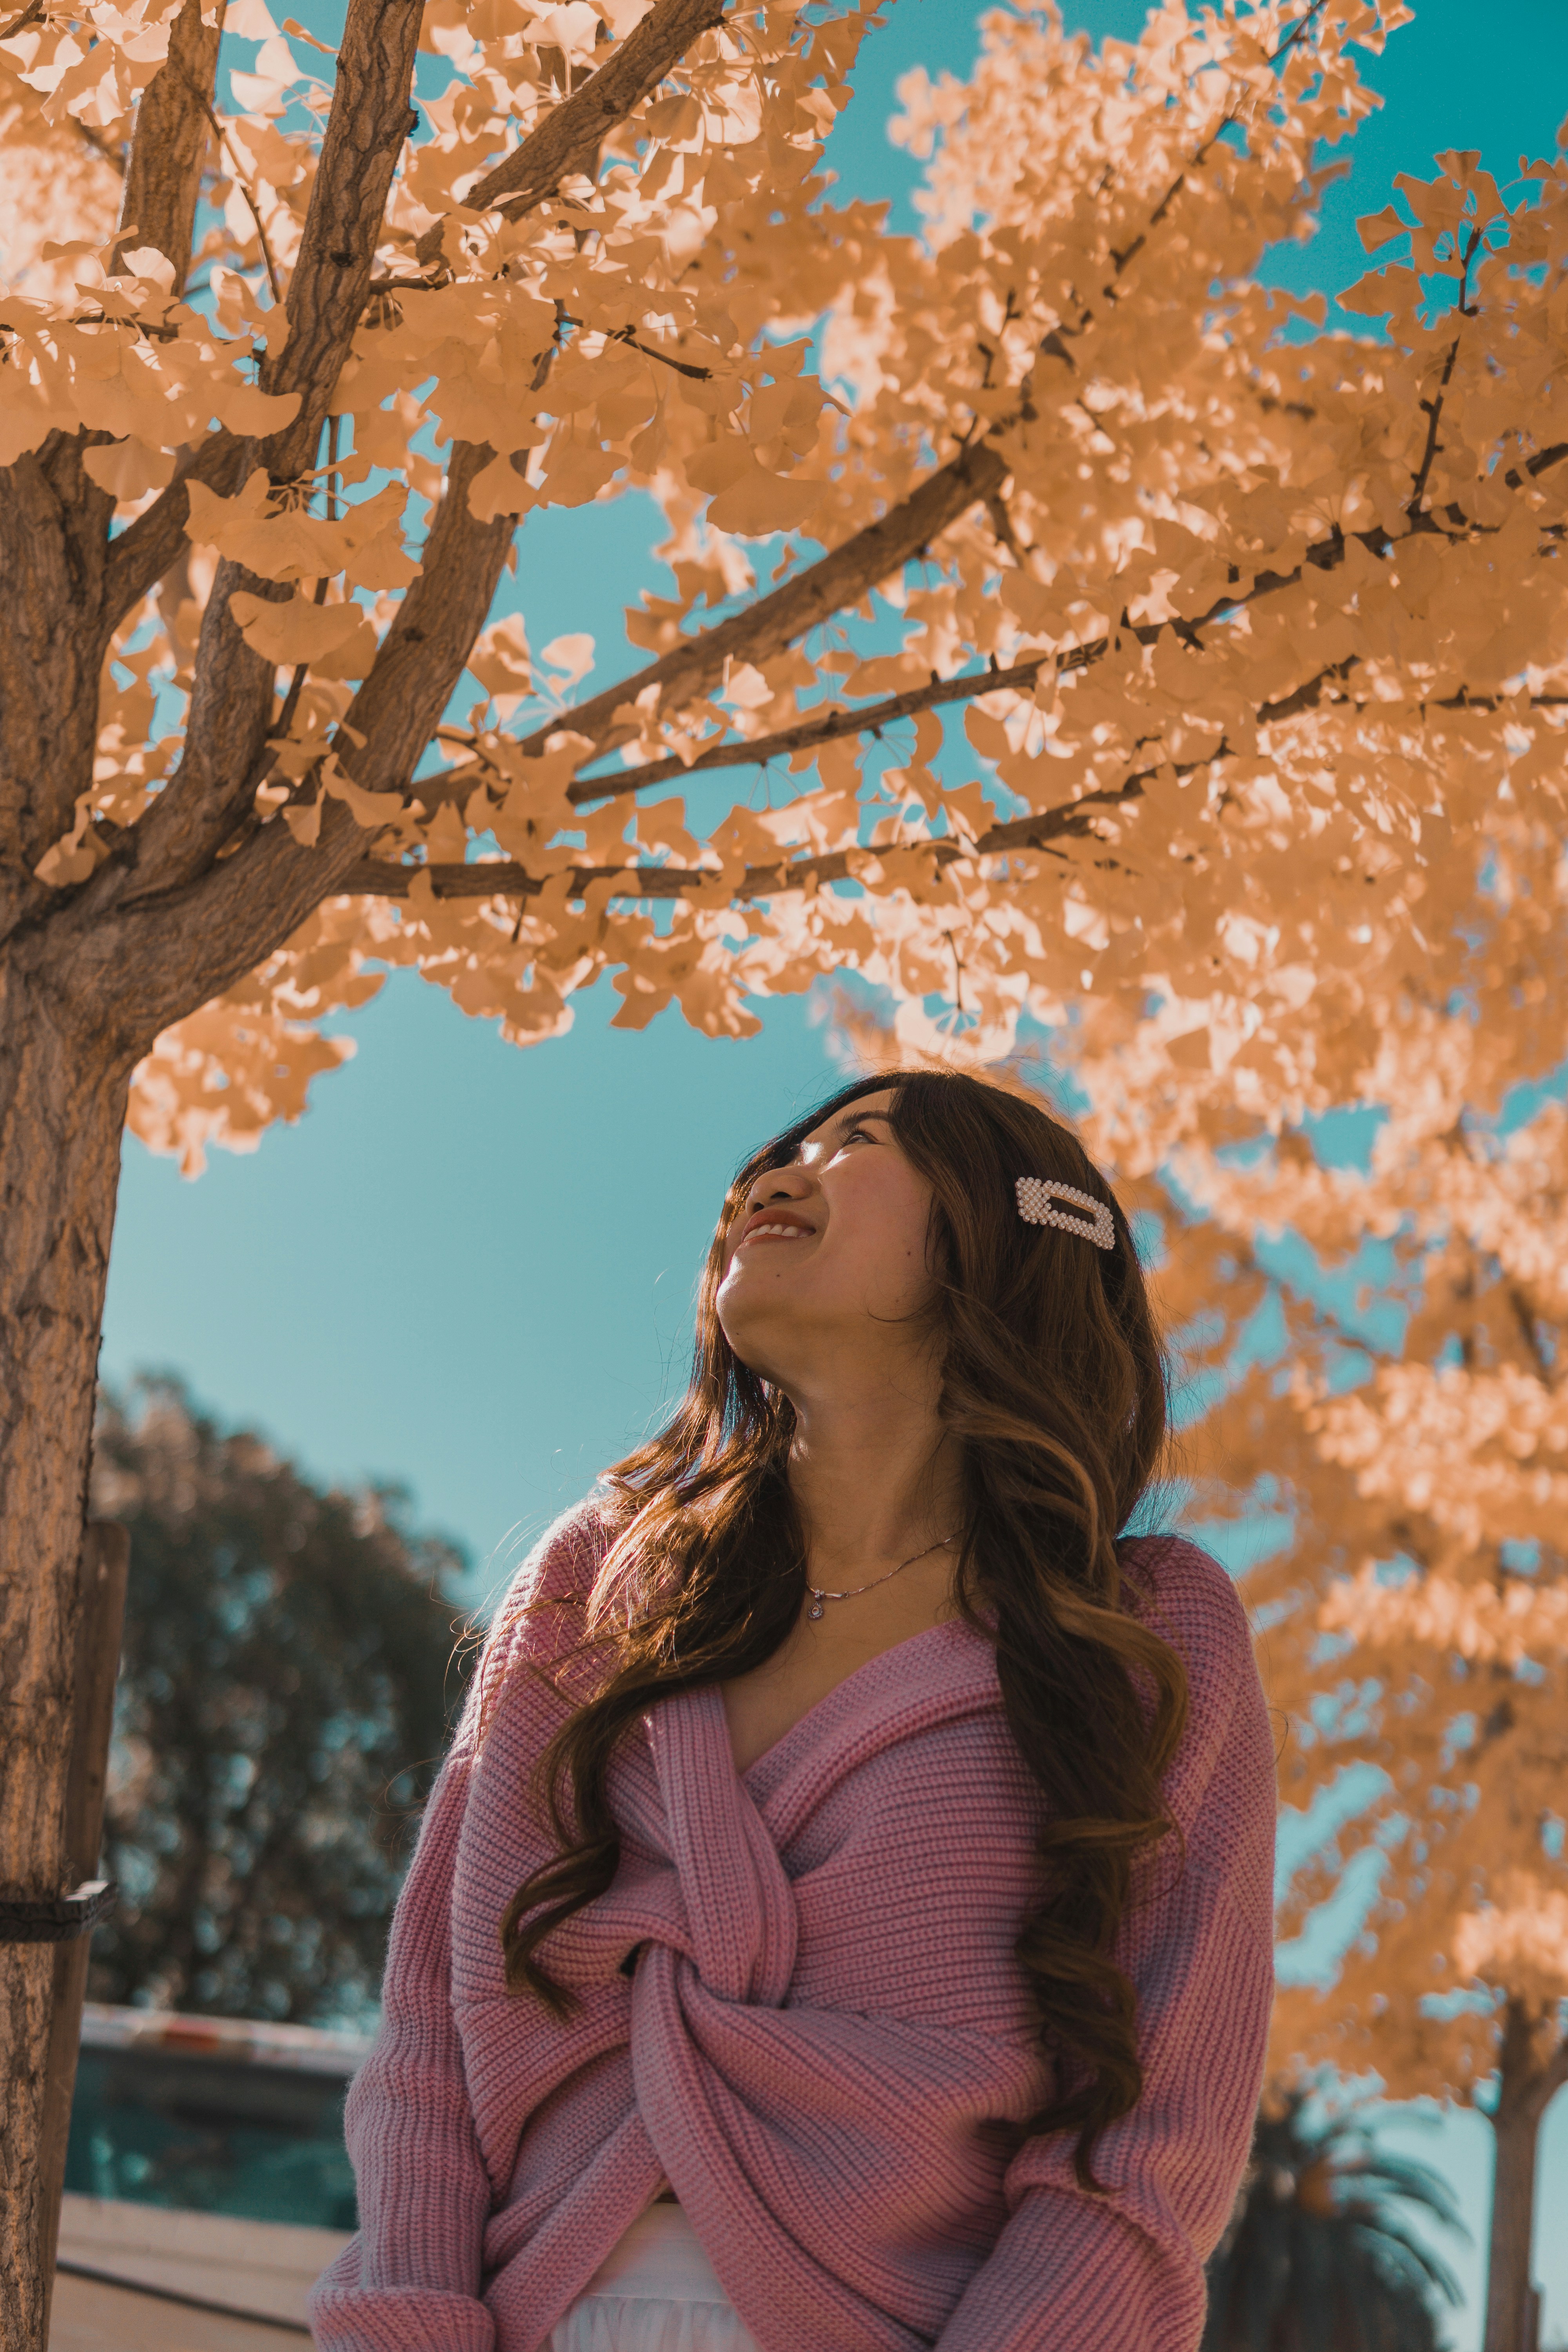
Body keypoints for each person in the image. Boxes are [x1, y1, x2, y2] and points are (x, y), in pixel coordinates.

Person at [309, 1069, 1276, 2352]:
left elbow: (1152, 2132)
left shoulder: (1150, 1635)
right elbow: (432, 2022)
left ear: (1000, 1233)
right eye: (778, 1154)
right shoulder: (600, 1576)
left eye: (855, 1145)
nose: (767, 1180)